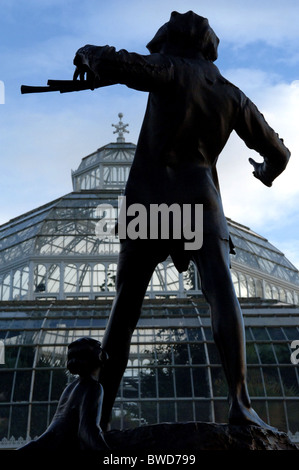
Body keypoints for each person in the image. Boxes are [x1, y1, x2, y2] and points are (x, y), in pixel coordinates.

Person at [73, 11, 290, 431]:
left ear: (170, 41)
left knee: (126, 306)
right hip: (199, 200)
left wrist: (84, 55)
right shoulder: (231, 94)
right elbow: (279, 154)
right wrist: (264, 173)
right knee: (220, 291)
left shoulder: (168, 69)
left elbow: (111, 60)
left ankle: (96, 418)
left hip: (149, 203)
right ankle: (240, 403)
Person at [18, 337, 109, 452]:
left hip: (43, 443)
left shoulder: (70, 387)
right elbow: (87, 431)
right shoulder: (93, 387)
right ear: (99, 357)